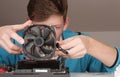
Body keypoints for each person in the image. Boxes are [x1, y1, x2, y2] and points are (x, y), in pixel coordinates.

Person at [0, 0, 120, 72]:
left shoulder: (81, 44)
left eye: (54, 28)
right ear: (28, 23)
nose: (45, 37)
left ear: (65, 24)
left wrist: (92, 46)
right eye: (41, 28)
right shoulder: (12, 42)